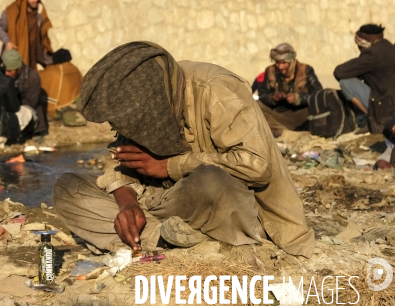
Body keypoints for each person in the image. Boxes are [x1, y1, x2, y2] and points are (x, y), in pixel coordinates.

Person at [53, 42, 314, 257]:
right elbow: (120, 161)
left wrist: (169, 166)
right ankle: (168, 235)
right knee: (68, 188)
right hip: (166, 204)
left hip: (223, 201)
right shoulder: (138, 99)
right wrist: (127, 203)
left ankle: (167, 236)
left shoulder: (216, 90)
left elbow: (257, 166)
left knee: (210, 179)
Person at [334, 24, 395, 133]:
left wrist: (358, 71)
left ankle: (373, 118)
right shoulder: (388, 46)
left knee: (346, 82)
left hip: (387, 106)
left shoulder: (372, 54)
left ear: (363, 44)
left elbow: (339, 72)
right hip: (390, 100)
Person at [257, 43, 322, 136]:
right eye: (277, 63)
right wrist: (273, 97)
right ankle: (285, 133)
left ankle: (286, 133)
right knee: (256, 105)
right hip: (279, 116)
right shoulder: (270, 71)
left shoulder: (306, 70)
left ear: (291, 61)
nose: (280, 67)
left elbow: (319, 94)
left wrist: (298, 98)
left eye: (284, 63)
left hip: (302, 114)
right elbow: (262, 94)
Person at [0, 0, 54, 70]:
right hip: (15, 57)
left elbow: (42, 32)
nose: (35, 0)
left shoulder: (39, 13)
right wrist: (7, 41)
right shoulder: (12, 11)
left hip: (32, 57)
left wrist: (44, 44)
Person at [2, 50, 48, 136]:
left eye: (10, 71)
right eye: (5, 70)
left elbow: (31, 102)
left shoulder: (32, 78)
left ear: (19, 69)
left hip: (26, 109)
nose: (6, 74)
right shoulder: (1, 76)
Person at [38, 49, 83, 117]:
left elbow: (41, 76)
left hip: (61, 106)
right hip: (77, 103)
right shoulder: (74, 68)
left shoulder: (56, 71)